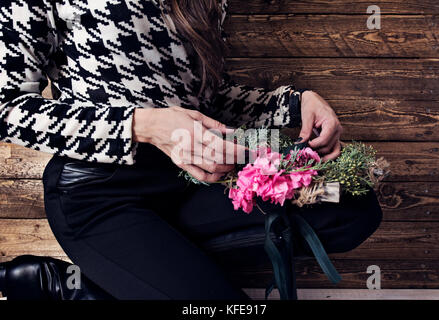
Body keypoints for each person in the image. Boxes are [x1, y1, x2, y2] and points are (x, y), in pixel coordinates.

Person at [0, 0, 382, 300]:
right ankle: (73, 285)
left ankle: (105, 286)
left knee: (350, 210)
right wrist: (141, 125)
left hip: (194, 182)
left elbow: (208, 100)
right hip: (100, 192)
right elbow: (7, 107)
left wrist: (298, 104)